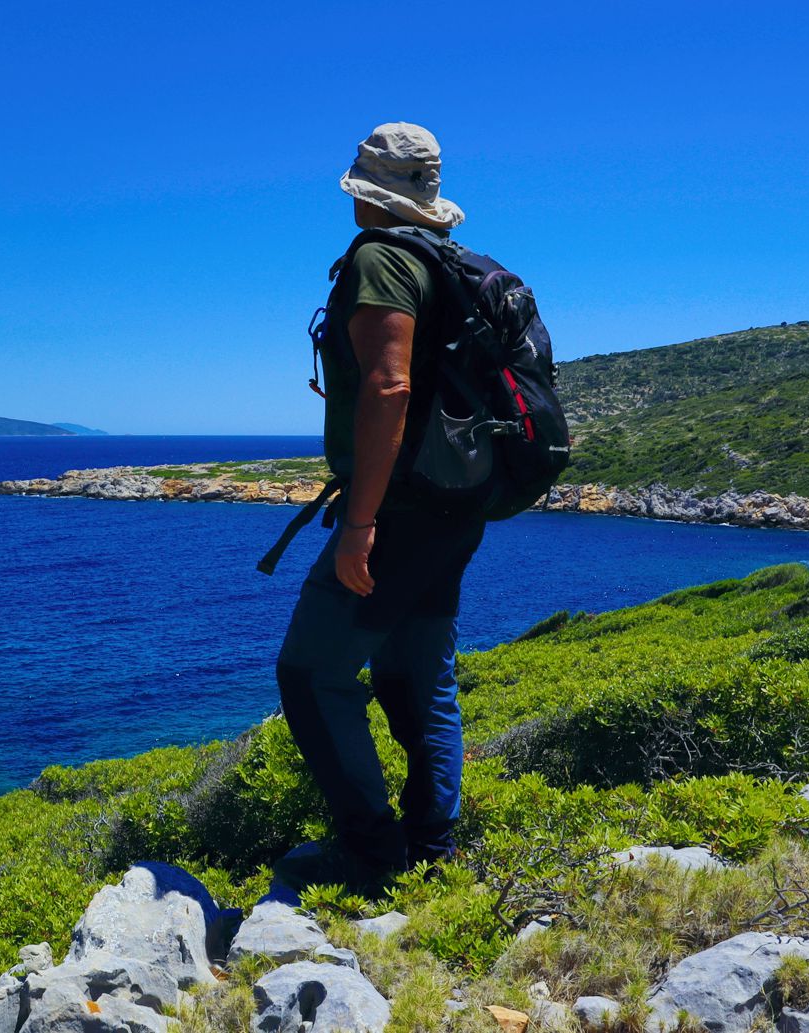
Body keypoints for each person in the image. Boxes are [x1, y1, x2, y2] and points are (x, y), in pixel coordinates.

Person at [273, 122, 488, 888]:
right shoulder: (445, 259)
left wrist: (358, 524)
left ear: (369, 191)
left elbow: (389, 385)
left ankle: (372, 852)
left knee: (310, 673)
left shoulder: (381, 259)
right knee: (419, 674)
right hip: (454, 504)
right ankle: (433, 853)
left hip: (397, 509)